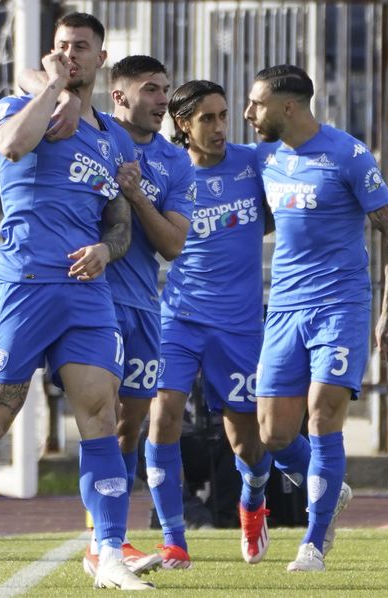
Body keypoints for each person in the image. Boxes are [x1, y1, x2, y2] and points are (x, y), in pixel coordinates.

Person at [0, 13, 155, 592]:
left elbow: (119, 224)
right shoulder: (19, 106)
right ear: (49, 55)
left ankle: (109, 554)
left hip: (86, 293)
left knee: (100, 411)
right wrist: (48, 88)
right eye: (62, 46)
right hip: (23, 283)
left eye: (82, 48)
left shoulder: (112, 137)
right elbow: (13, 147)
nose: (71, 54)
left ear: (101, 58)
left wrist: (105, 252)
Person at [18, 54, 195, 578]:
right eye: (151, 90)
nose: (164, 99)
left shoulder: (175, 162)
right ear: (119, 96)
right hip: (89, 298)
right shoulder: (88, 130)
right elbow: (28, 78)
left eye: (166, 89)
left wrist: (137, 193)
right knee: (101, 416)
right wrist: (64, 93)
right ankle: (103, 544)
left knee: (130, 426)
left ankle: (107, 540)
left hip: (144, 305)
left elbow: (172, 245)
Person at [244, 64, 388, 572]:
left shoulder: (349, 155)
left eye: (257, 104)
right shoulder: (264, 158)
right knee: (272, 434)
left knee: (323, 413)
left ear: (288, 107)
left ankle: (313, 542)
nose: (249, 114)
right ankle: (329, 488)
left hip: (340, 305)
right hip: (285, 308)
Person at [146, 79, 274, 569]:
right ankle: (174, 538)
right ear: (184, 124)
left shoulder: (251, 162)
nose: (220, 127)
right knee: (163, 418)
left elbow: (268, 216)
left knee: (245, 438)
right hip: (178, 318)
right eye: (208, 118)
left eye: (224, 116)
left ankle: (252, 501)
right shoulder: (170, 172)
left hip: (239, 325)